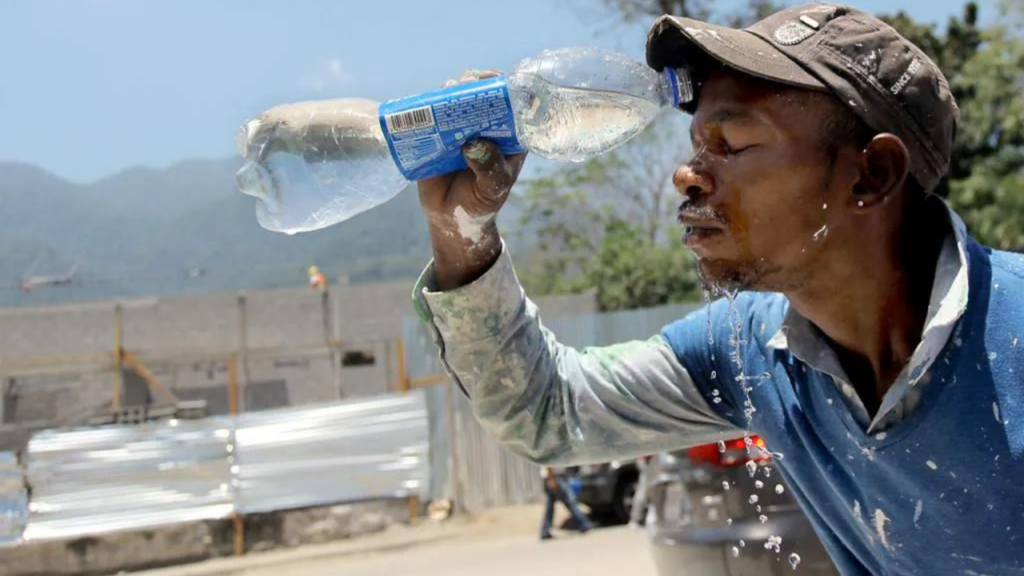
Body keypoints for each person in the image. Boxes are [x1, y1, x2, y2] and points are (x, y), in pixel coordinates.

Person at [411, 3, 1024, 575]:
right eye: (696, 144)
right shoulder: (751, 352)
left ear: (871, 174)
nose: (687, 174)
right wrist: (462, 233)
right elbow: (550, 411)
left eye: (730, 144)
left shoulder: (1011, 335)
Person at [539, 466, 593, 540]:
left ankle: (545, 531)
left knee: (550, 507)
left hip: (554, 477)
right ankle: (584, 524)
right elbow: (549, 464)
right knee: (570, 501)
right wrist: (551, 478)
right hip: (555, 478)